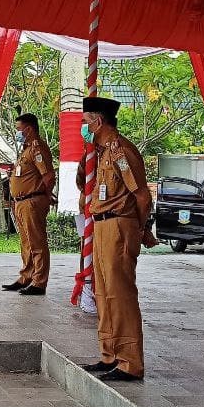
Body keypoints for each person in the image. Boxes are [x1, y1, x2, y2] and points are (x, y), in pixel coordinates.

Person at [77, 97, 155, 383]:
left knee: (120, 294)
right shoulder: (100, 152)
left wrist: (140, 229)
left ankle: (130, 362)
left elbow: (142, 196)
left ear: (98, 122)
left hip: (119, 225)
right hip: (101, 225)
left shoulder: (121, 150)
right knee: (103, 293)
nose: (83, 128)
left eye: (86, 123)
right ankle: (109, 354)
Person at [2, 112, 55, 296]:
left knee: (37, 242)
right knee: (26, 242)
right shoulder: (26, 149)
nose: (17, 133)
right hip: (22, 202)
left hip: (32, 201)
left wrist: (45, 196)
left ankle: (39, 281)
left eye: (18, 129)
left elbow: (48, 176)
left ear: (29, 129)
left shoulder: (37, 148)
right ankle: (27, 276)